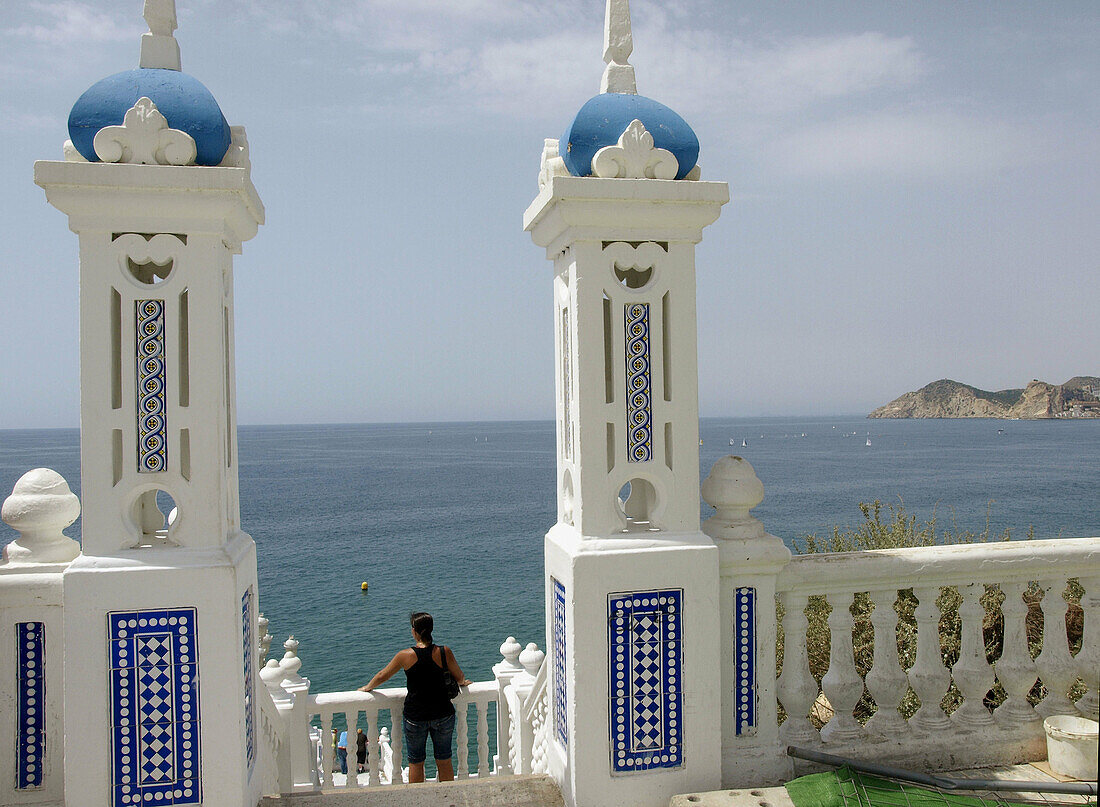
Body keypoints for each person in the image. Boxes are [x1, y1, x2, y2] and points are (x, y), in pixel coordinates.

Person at [358, 612, 471, 783]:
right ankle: (449, 797)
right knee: (444, 759)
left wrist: (368, 687)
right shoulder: (443, 652)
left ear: (414, 631)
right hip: (443, 714)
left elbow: (383, 675)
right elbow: (459, 677)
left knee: (416, 762)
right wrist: (463, 681)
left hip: (415, 716)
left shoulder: (405, 655)